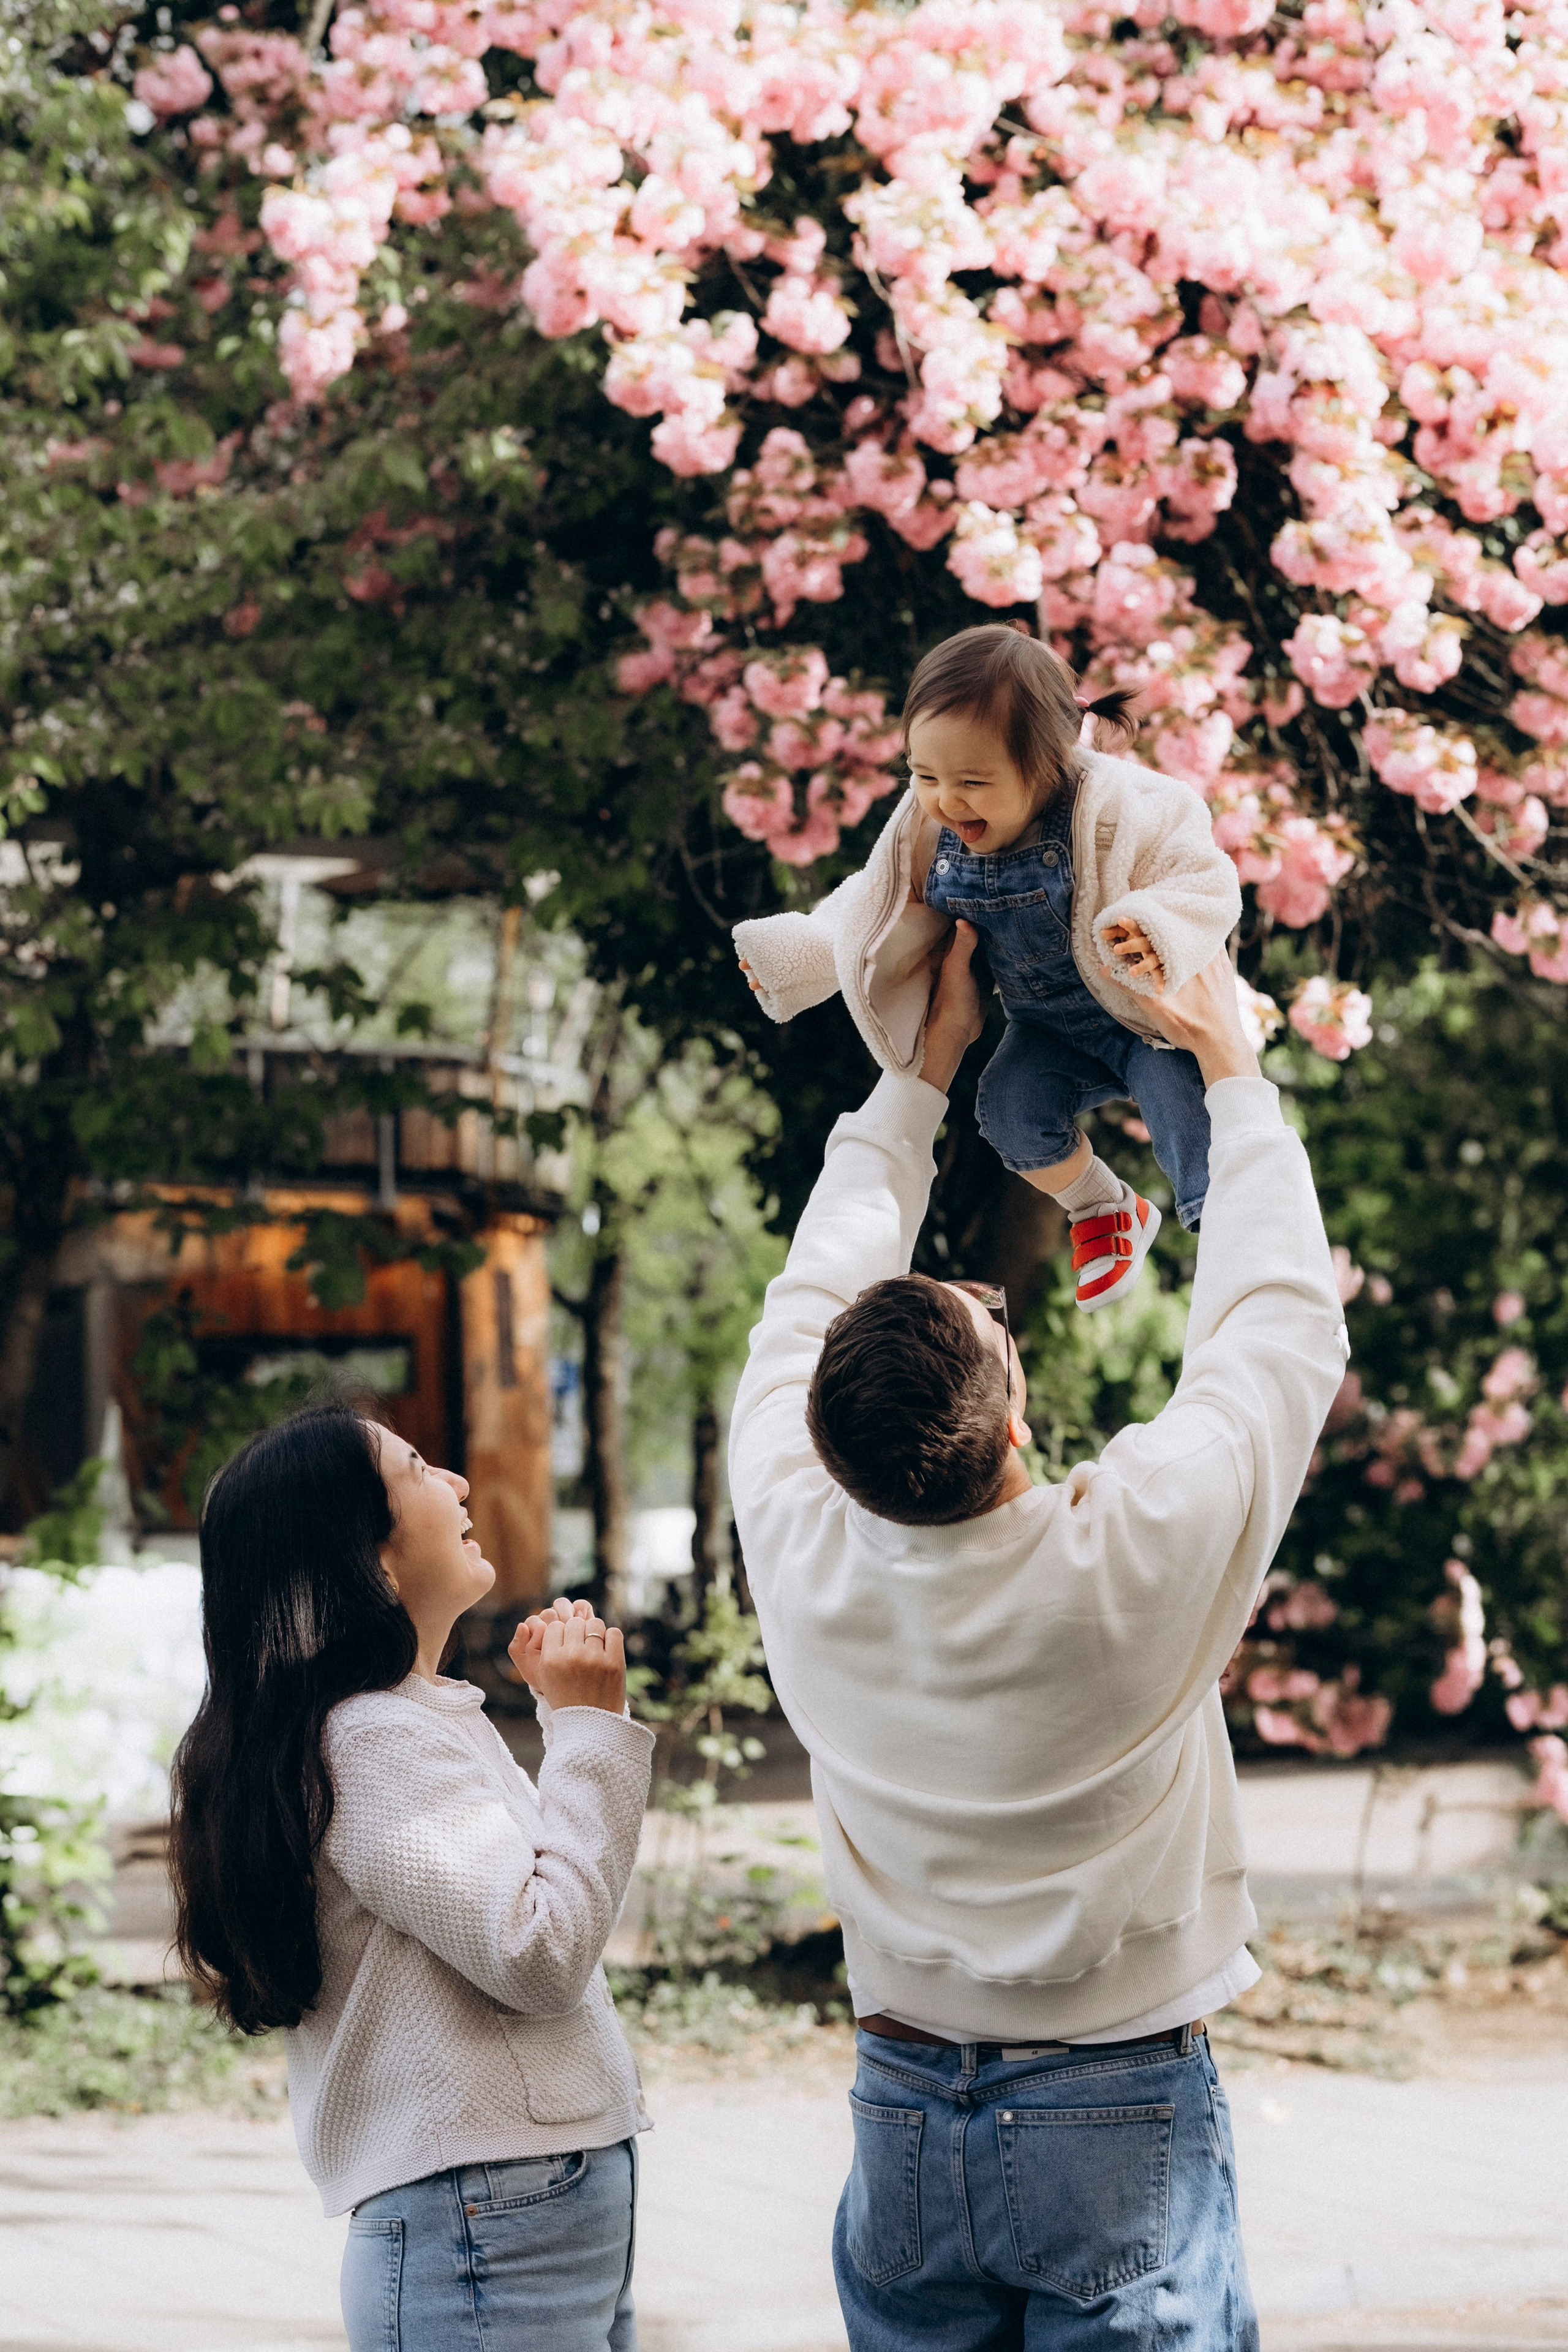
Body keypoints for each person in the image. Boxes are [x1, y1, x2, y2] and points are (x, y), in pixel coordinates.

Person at [728, 927, 1348, 2349]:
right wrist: (1230, 1069)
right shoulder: (1131, 1546)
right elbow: (1276, 1334)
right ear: (1011, 1418)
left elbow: (804, 1298)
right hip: (1112, 2102)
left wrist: (914, 1079)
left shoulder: (794, 1532)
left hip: (898, 2105)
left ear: (821, 1442)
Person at [168, 1405, 654, 2352]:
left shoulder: (408, 1719)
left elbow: (554, 1902)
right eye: (420, 1469)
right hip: (488, 2220)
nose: (459, 1483)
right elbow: (540, 1951)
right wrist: (588, 1727)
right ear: (372, 1561)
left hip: (522, 2210)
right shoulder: (370, 1740)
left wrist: (573, 1720)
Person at [734, 622, 1242, 1310]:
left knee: (1192, 1125)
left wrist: (1158, 928)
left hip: (1142, 1015)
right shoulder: (929, 835)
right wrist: (802, 956)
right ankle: (1102, 1206)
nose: (947, 800)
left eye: (974, 781)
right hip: (1047, 1030)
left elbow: (1205, 878)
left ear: (1051, 761)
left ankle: (1236, 1239)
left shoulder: (1123, 806)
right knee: (1007, 1112)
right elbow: (874, 906)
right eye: (924, 776)